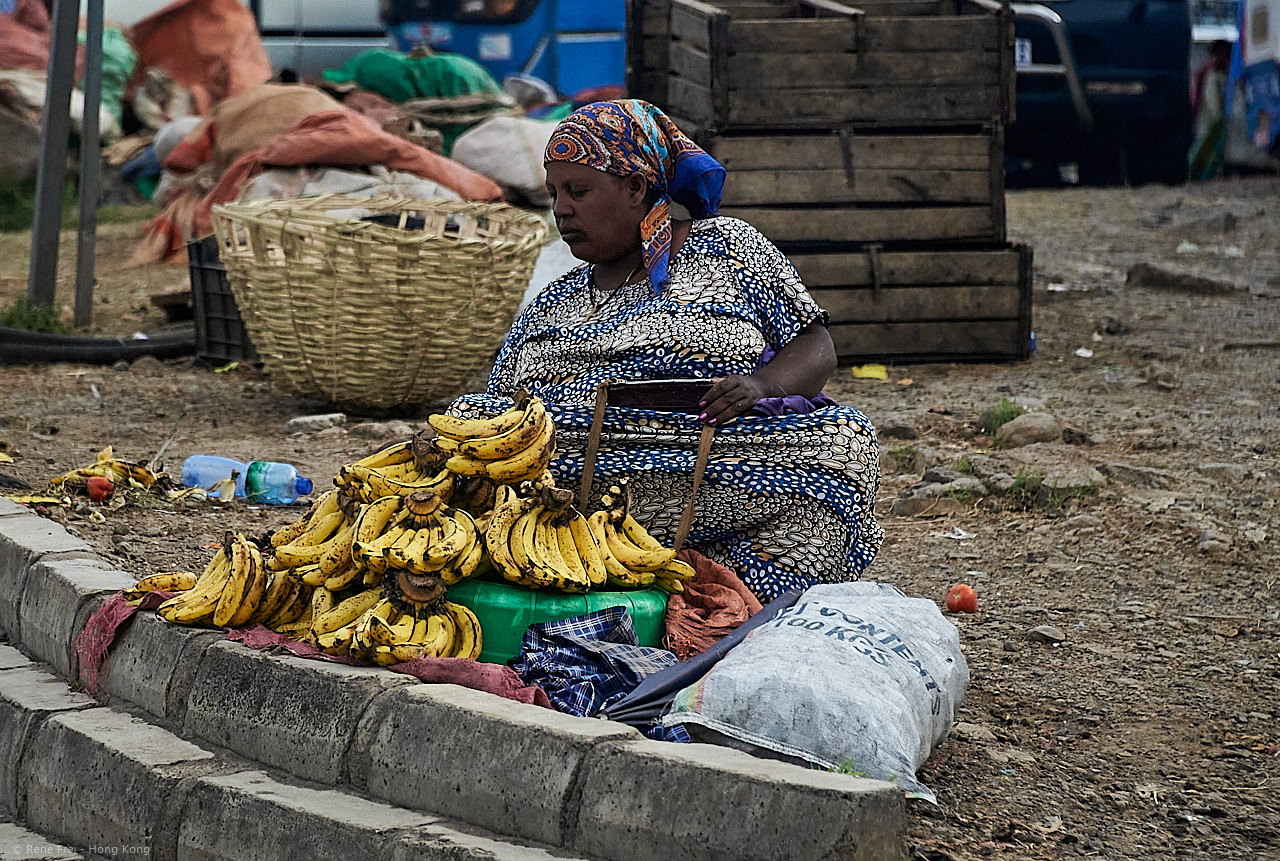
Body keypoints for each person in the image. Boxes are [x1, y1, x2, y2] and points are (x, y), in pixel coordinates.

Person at [449, 99, 882, 602]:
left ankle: (729, 588)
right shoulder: (550, 306)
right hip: (580, 485)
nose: (561, 209)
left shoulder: (725, 246)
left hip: (722, 457)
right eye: (554, 193)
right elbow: (497, 415)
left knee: (844, 442)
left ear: (635, 186)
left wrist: (762, 386)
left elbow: (815, 346)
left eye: (579, 190)